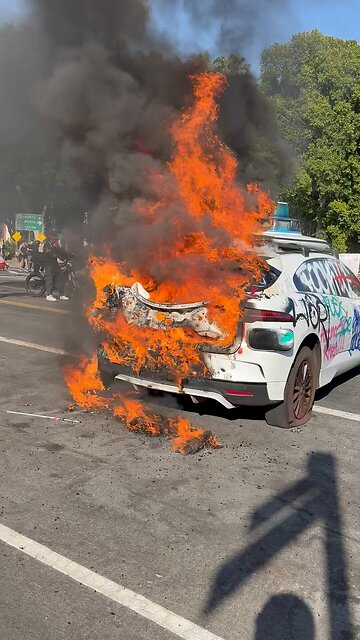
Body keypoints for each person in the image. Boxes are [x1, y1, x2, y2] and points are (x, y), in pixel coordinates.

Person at [40, 235, 71, 302]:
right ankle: (48, 294)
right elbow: (51, 252)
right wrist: (59, 257)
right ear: (51, 238)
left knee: (60, 277)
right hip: (48, 262)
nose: (56, 239)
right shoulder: (47, 244)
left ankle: (61, 294)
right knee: (50, 277)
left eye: (56, 238)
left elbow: (61, 252)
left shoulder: (55, 244)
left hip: (54, 262)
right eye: (54, 237)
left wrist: (69, 256)